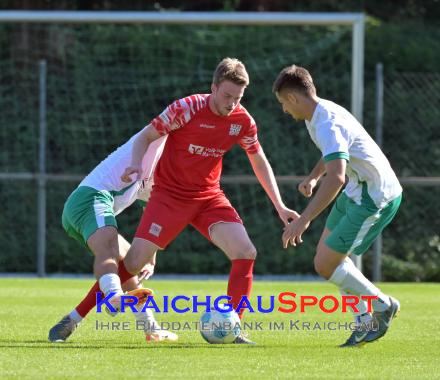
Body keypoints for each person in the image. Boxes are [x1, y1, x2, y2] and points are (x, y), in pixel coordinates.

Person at [109, 57, 299, 345]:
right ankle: (78, 315)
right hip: (169, 196)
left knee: (245, 252)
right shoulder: (186, 108)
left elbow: (258, 160)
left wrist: (280, 205)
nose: (232, 103)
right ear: (213, 87)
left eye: (238, 97)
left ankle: (234, 329)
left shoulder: (242, 121)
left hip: (208, 198)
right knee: (133, 263)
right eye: (226, 95)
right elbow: (145, 137)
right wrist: (136, 165)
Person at [272, 65, 403, 347]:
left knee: (325, 263)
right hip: (358, 191)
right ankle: (363, 323)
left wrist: (304, 219)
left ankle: (383, 305)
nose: (284, 110)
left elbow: (338, 178)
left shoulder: (326, 121)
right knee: (329, 260)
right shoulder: (318, 114)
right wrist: (313, 176)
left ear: (293, 97)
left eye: (283, 103)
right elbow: (334, 155)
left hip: (375, 197)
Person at [48, 134, 178, 343]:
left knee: (128, 268)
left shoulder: (163, 170)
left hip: (85, 211)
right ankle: (114, 296)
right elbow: (164, 122)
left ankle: (149, 328)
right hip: (91, 198)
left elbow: (152, 209)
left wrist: (151, 255)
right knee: (109, 250)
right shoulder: (158, 136)